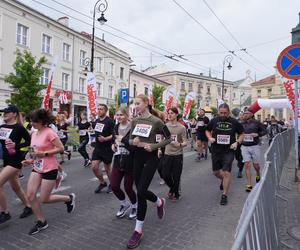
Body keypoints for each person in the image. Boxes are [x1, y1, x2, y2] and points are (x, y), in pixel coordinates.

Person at [126, 94, 171, 249]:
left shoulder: (157, 121)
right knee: (140, 191)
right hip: (137, 157)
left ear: (146, 103)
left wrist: (154, 147)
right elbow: (131, 140)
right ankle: (159, 202)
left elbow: (169, 138)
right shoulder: (135, 121)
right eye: (134, 103)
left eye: (138, 103)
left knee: (141, 192)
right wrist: (134, 142)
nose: (136, 105)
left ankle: (138, 230)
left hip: (151, 157)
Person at [22, 109, 75, 235]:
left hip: (50, 168)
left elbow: (61, 148)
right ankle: (41, 221)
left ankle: (68, 199)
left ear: (42, 121)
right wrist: (30, 160)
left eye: (35, 121)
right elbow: (35, 151)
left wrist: (44, 153)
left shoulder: (49, 133)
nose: (32, 123)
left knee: (44, 199)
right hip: (37, 166)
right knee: (30, 195)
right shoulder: (34, 133)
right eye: (31, 121)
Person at [205, 103, 244, 205]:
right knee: (216, 172)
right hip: (216, 150)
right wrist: (209, 137)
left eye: (225, 113)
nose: (222, 114)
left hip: (229, 150)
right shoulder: (214, 120)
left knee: (226, 172)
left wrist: (237, 142)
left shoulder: (234, 122)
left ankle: (224, 195)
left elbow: (242, 134)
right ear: (218, 112)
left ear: (228, 112)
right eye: (221, 112)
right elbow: (207, 130)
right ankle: (223, 180)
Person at [0, 105, 33, 224]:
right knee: (16, 187)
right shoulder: (2, 127)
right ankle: (29, 207)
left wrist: (16, 146)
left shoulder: (19, 128)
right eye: (3, 113)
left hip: (15, 160)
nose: (4, 114)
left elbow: (30, 141)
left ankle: (5, 212)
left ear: (14, 114)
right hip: (6, 160)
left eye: (7, 112)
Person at [111, 107, 137, 219]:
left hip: (130, 161)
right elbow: (114, 140)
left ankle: (135, 205)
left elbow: (135, 147)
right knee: (114, 185)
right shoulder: (116, 127)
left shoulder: (133, 128)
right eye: (117, 115)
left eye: (121, 114)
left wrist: (123, 140)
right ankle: (124, 204)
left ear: (127, 115)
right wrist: (113, 145)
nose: (119, 117)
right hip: (118, 159)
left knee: (128, 187)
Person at [163, 107, 187, 201]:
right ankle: (173, 188)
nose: (169, 114)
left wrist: (180, 144)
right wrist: (160, 150)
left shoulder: (182, 128)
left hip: (178, 155)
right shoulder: (165, 126)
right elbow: (162, 139)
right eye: (168, 113)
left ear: (177, 114)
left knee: (176, 176)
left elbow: (185, 142)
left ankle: (176, 194)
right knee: (165, 175)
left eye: (172, 113)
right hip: (167, 154)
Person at [241, 108, 267, 192]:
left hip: (254, 146)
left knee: (256, 165)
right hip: (244, 146)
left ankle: (258, 173)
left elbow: (265, 131)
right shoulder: (241, 124)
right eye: (244, 113)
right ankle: (249, 184)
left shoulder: (257, 123)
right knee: (247, 164)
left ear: (252, 114)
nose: (245, 115)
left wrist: (257, 134)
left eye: (247, 113)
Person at [91, 104, 114, 194]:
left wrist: (105, 139)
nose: (99, 110)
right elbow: (96, 132)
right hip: (98, 148)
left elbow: (114, 135)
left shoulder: (110, 121)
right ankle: (102, 183)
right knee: (94, 167)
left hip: (107, 148)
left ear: (105, 111)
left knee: (107, 168)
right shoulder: (97, 121)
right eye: (98, 109)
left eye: (101, 109)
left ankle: (112, 184)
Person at [236, 111, 245, 178]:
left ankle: (240, 171)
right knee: (237, 156)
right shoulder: (236, 122)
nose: (241, 116)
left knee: (242, 157)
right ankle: (239, 161)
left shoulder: (247, 123)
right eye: (240, 115)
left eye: (243, 115)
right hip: (237, 141)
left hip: (245, 143)